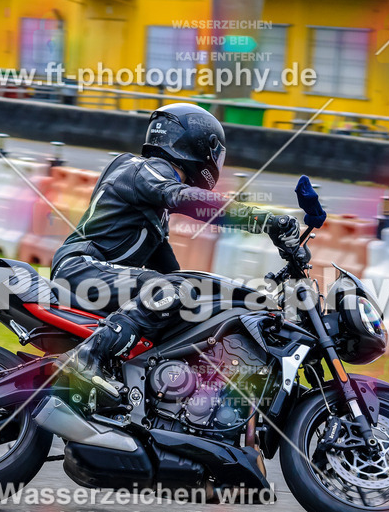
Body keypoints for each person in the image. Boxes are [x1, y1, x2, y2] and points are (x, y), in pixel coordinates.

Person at [52, 103, 301, 399]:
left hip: (96, 272)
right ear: (198, 144)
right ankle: (86, 358)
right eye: (215, 152)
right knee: (172, 290)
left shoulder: (152, 209)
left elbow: (174, 273)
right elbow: (184, 198)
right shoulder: (143, 169)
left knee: (183, 294)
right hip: (81, 266)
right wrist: (263, 220)